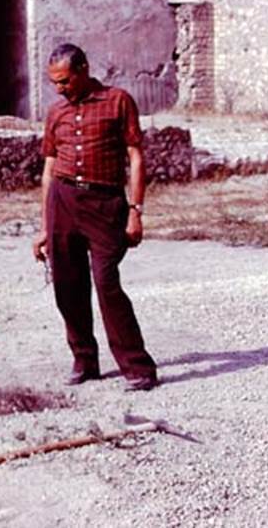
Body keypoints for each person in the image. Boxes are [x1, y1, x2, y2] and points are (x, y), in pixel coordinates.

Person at [32, 43, 158, 392]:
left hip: (105, 204)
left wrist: (136, 211)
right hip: (63, 201)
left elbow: (136, 158)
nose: (59, 89)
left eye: (65, 81)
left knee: (106, 283)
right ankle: (85, 360)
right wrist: (45, 226)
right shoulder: (56, 112)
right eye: (54, 82)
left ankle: (138, 367)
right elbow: (48, 170)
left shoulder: (118, 101)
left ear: (83, 69)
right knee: (67, 285)